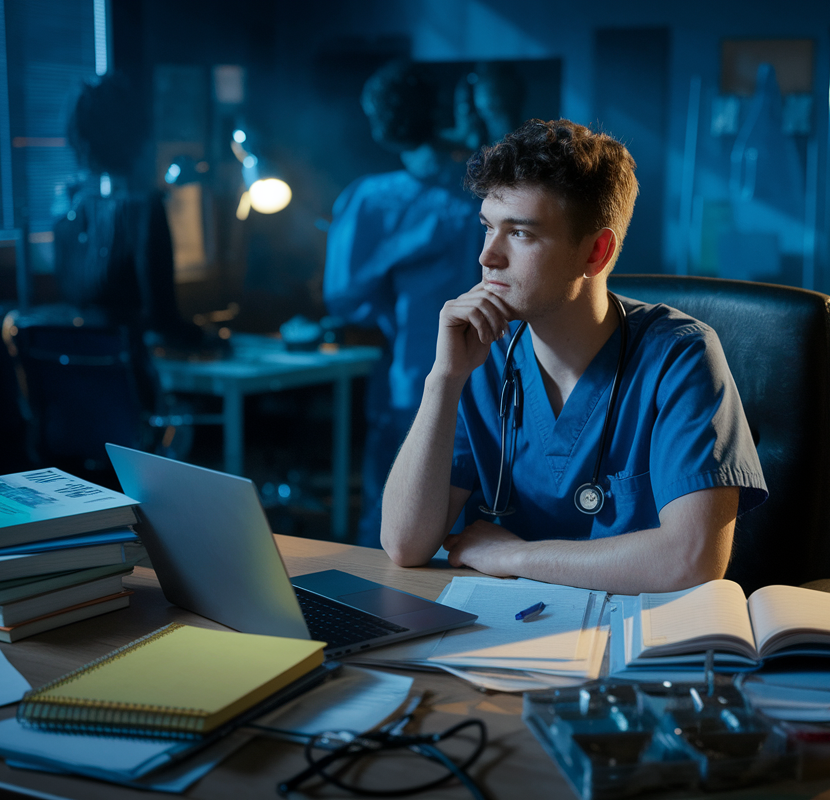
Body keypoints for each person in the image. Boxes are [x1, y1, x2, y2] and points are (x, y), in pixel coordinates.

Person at [381, 119, 767, 595]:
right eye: (487, 228)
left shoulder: (679, 356)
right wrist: (443, 380)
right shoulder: (482, 356)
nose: (488, 258)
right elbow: (404, 546)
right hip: (502, 637)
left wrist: (509, 555)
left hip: (638, 647)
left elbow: (692, 561)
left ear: (596, 252)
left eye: (520, 234)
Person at [324, 60, 485, 547]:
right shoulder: (378, 199)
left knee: (465, 514)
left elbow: (342, 294)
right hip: (417, 379)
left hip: (484, 383)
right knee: (401, 508)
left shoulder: (476, 186)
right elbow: (345, 296)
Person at [53, 74, 202, 352]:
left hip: (88, 373)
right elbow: (163, 321)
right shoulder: (144, 211)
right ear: (137, 134)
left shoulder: (65, 214)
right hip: (133, 375)